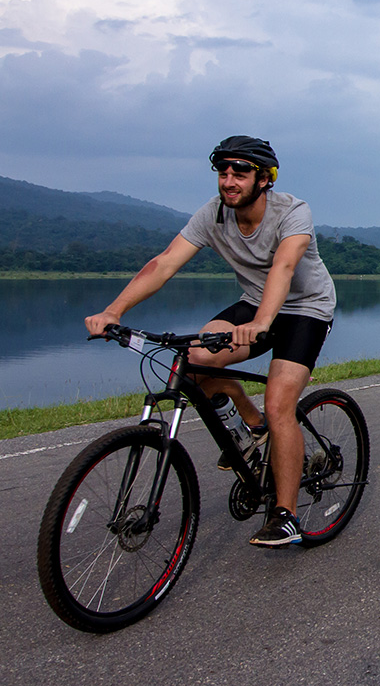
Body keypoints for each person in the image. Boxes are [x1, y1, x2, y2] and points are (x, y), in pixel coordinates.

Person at [85, 135, 336, 548]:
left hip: (305, 308)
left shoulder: (293, 211)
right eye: (223, 172)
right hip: (254, 304)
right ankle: (250, 423)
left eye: (240, 172)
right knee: (192, 360)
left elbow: (285, 266)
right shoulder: (212, 215)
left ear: (265, 178)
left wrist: (261, 322)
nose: (229, 180)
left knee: (280, 404)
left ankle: (285, 515)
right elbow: (164, 263)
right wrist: (114, 311)